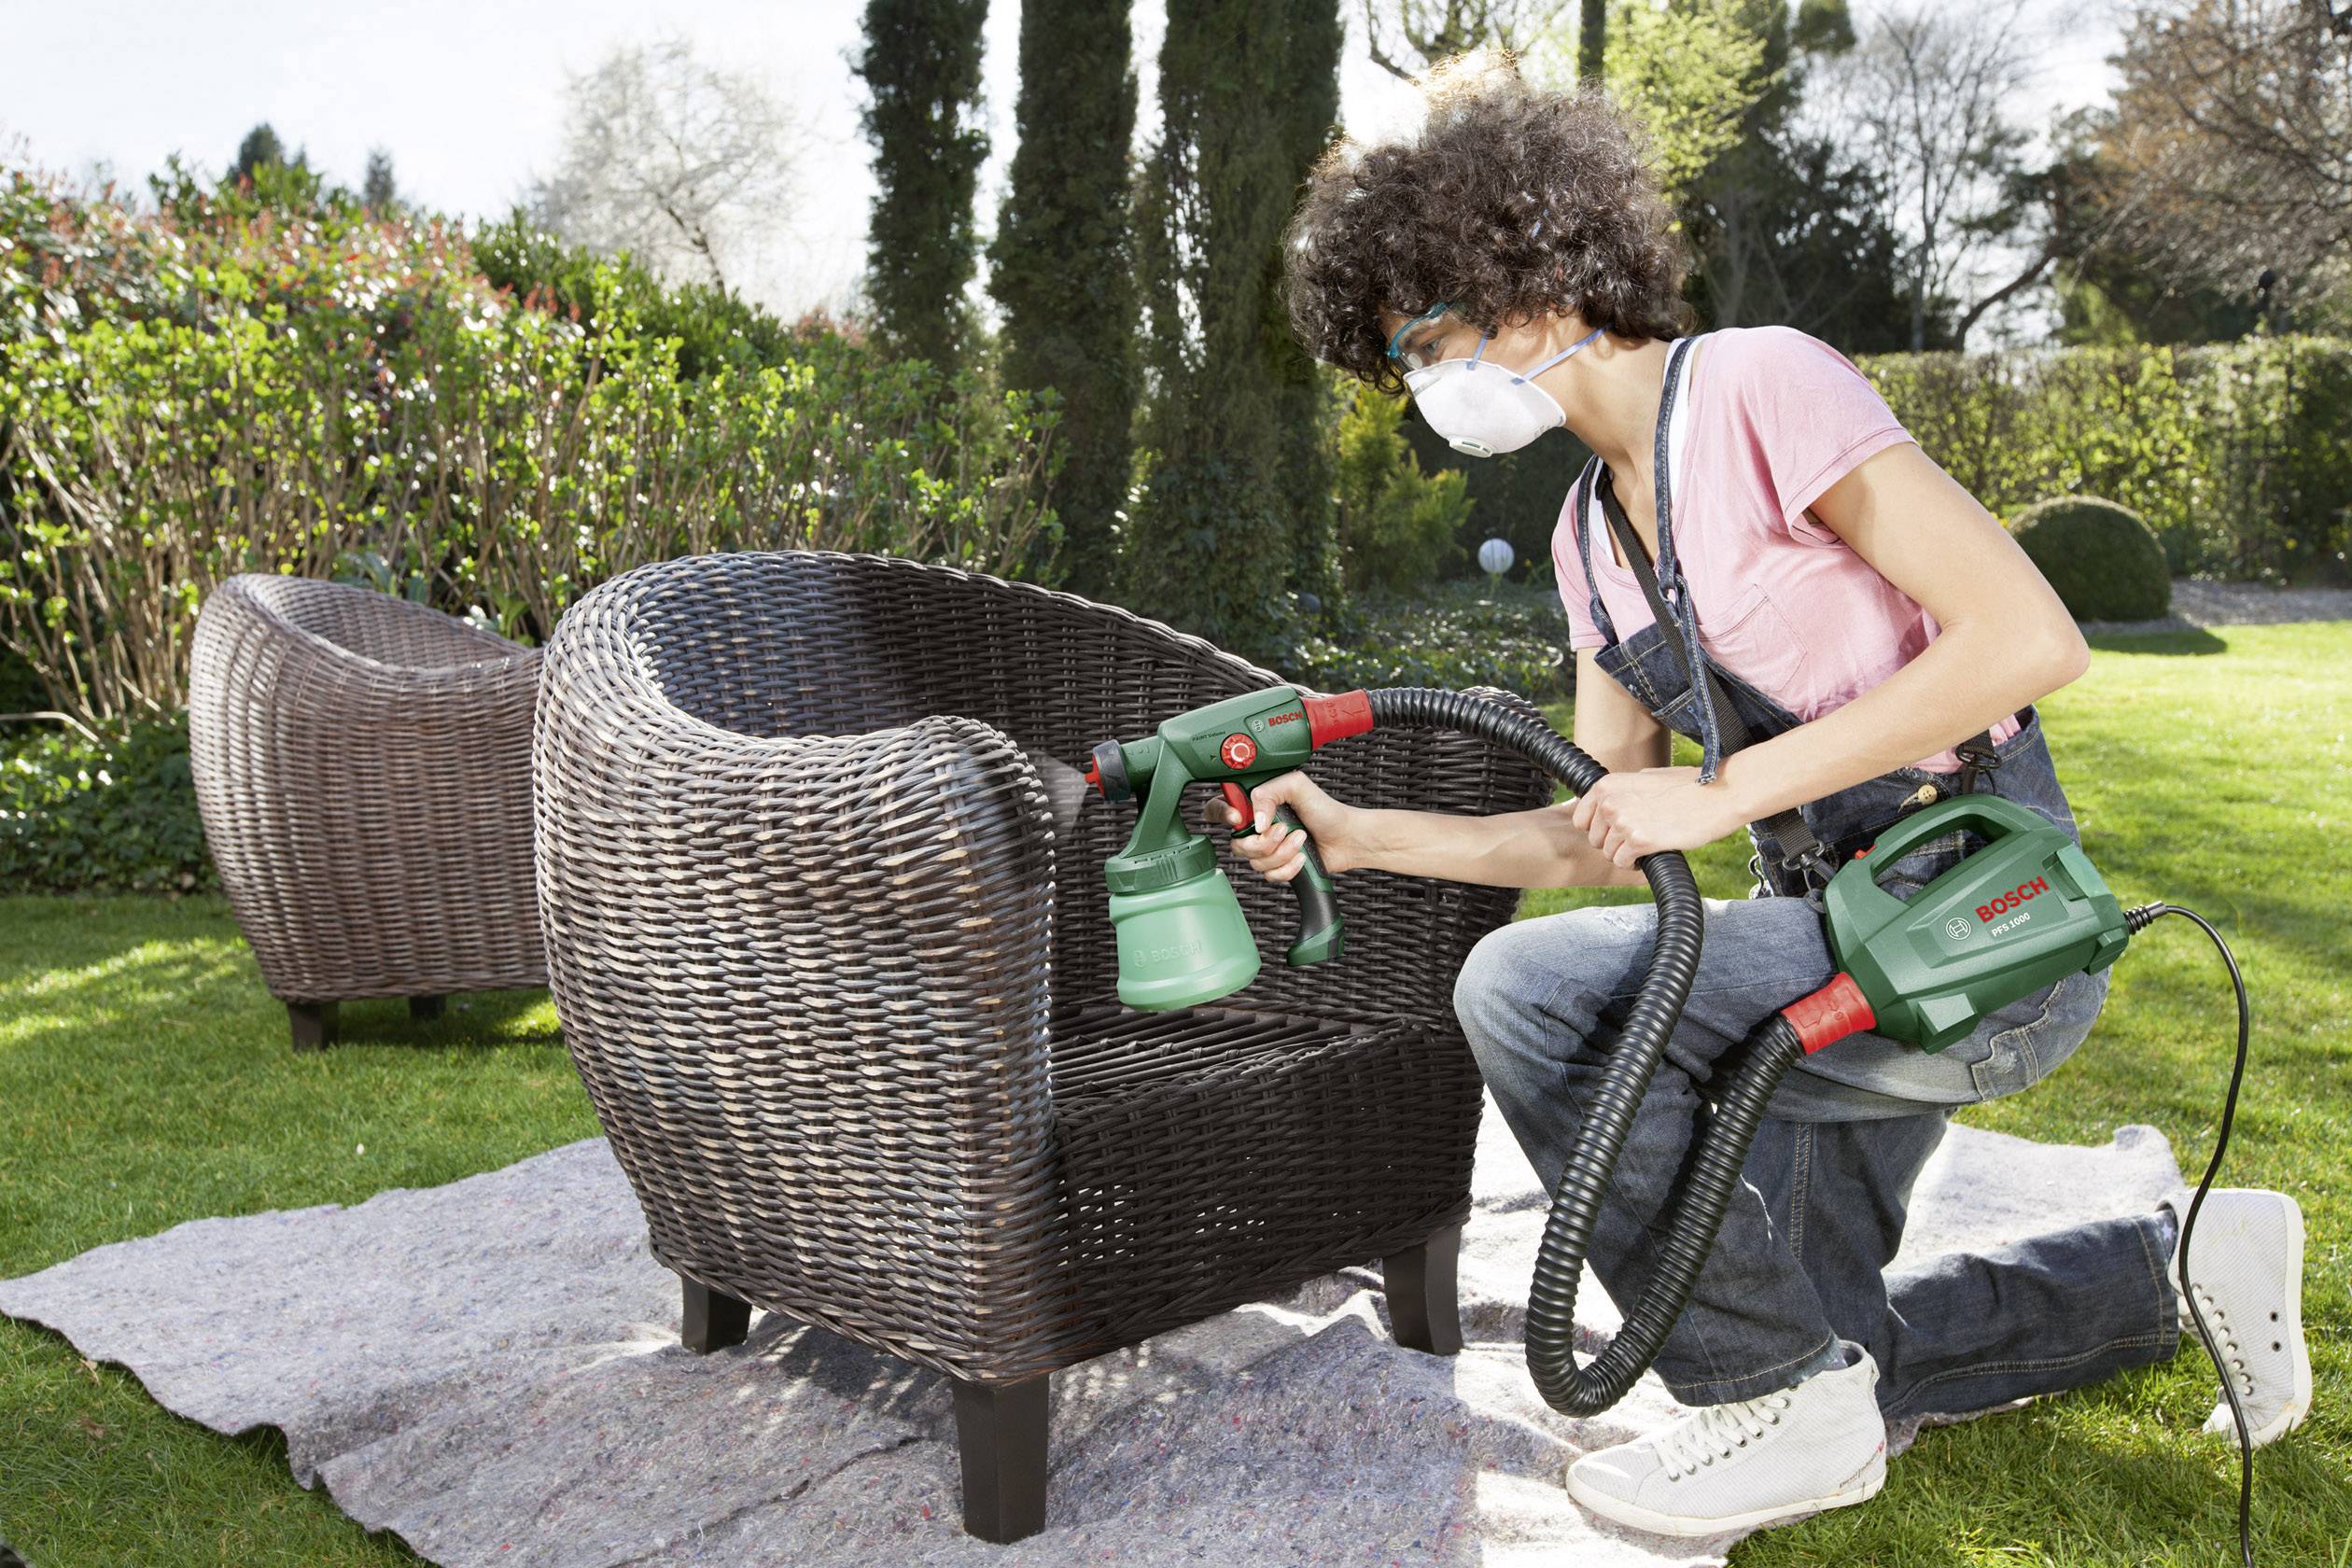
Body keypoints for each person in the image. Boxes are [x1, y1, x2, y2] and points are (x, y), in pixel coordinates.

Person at [1209, 57, 2311, 1539]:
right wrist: (1359, 833)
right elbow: (1601, 825)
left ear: (1525, 279)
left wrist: (1727, 795)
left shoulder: (1758, 386)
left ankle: (1776, 1404)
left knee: (1526, 996)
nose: (1423, 392)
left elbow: (2027, 638)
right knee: (1824, 1334)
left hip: (1976, 931)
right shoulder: (1586, 541)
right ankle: (2171, 1260)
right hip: (1816, 951)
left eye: (1425, 342)